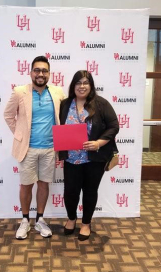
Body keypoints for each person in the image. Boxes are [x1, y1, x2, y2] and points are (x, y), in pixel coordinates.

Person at [4, 55, 65, 240]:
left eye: (44, 71)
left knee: (44, 184)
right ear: (31, 72)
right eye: (37, 70)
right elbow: (8, 115)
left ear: (49, 74)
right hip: (27, 149)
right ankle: (24, 220)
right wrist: (20, 135)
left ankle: (39, 219)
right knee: (26, 185)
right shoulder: (19, 92)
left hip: (50, 148)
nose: (41, 74)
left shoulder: (57, 93)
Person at [58, 70, 119, 241]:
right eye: (78, 83)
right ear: (73, 86)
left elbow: (114, 126)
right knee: (70, 192)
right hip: (71, 158)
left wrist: (99, 143)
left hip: (94, 159)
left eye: (86, 82)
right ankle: (71, 219)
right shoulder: (65, 104)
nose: (82, 86)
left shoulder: (101, 104)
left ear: (91, 85)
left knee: (90, 191)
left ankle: (86, 223)